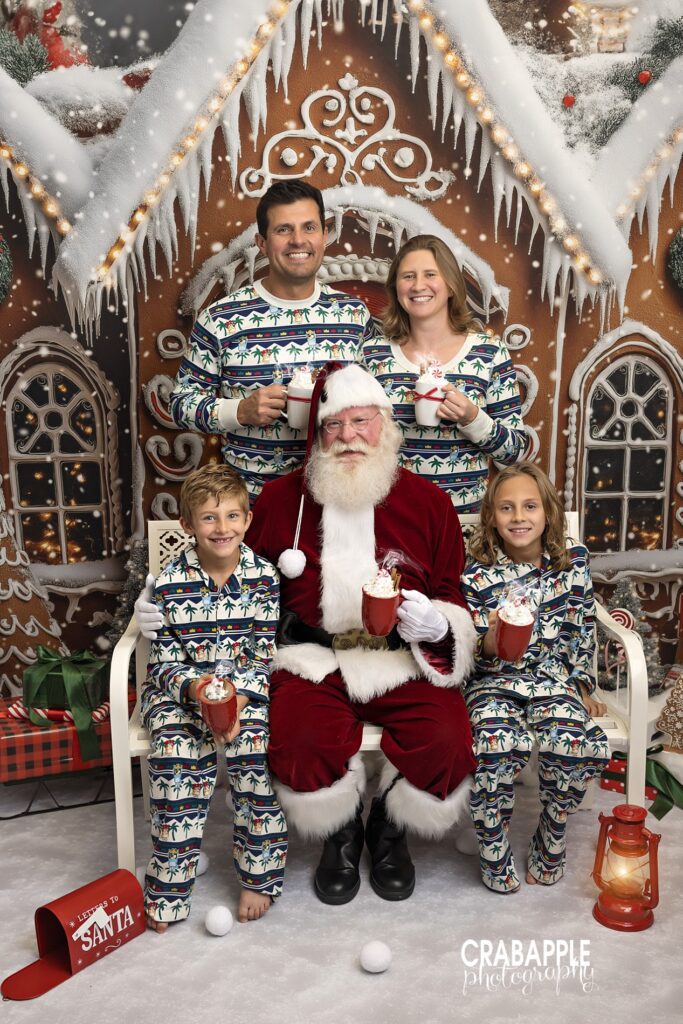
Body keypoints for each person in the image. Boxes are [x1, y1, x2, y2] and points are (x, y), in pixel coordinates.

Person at [246, 363, 477, 905]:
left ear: (386, 425)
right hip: (313, 658)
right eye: (334, 425)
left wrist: (439, 625)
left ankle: (388, 832)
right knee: (300, 740)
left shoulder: (428, 503)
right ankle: (341, 832)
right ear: (318, 433)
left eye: (361, 422)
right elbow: (243, 583)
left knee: (445, 743)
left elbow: (452, 590)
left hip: (401, 659)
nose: (348, 436)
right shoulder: (283, 501)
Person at [141, 463, 287, 929]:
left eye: (231, 516)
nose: (221, 528)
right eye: (208, 517)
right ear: (187, 525)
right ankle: (168, 888)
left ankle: (258, 876)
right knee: (174, 763)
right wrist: (196, 692)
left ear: (246, 520)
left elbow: (262, 655)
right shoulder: (167, 584)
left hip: (243, 693)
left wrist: (235, 702)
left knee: (256, 755)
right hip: (180, 693)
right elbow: (162, 662)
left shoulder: (264, 579)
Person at [169, 178, 376, 503]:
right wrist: (240, 410)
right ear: (262, 243)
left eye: (309, 228)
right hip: (251, 508)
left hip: (338, 505)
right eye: (284, 230)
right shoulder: (221, 319)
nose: (298, 241)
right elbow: (181, 405)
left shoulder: (353, 315)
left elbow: (374, 405)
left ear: (324, 236)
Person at [459, 463, 610, 894]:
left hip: (552, 678)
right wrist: (490, 637)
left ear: (547, 512)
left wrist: (582, 685)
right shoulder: (475, 569)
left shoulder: (571, 561)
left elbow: (582, 625)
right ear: (491, 516)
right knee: (494, 741)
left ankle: (553, 825)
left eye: (529, 506)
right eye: (506, 508)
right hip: (493, 680)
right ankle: (492, 841)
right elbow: (466, 641)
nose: (519, 517)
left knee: (572, 739)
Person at [362, 234, 526, 512]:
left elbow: (513, 454)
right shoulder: (372, 355)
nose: (418, 286)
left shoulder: (488, 353)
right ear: (396, 288)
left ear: (450, 285)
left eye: (430, 274)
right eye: (408, 277)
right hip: (390, 519)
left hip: (463, 521)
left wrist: (473, 419)